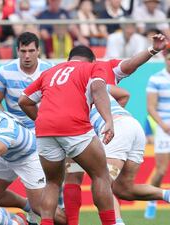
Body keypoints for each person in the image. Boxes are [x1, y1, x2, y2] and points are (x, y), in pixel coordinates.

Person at [63, 34, 169, 225]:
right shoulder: (98, 79)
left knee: (103, 184)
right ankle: (166, 194)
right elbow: (125, 91)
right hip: (132, 126)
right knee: (123, 189)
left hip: (119, 129)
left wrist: (109, 123)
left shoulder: (68, 82)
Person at [18, 45, 116, 225]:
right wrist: (108, 120)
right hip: (74, 126)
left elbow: (23, 100)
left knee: (52, 183)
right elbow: (98, 89)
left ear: (69, 59)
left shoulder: (50, 72)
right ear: (92, 60)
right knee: (101, 175)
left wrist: (42, 120)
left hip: (45, 130)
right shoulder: (93, 67)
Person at [0, 108, 67, 225]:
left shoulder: (6, 129)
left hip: (28, 157)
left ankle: (69, 222)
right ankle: (28, 206)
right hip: (5, 156)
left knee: (39, 207)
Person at [0, 31, 54, 130]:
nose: (27, 56)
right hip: (15, 127)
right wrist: (6, 121)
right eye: (23, 51)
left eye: (31, 51)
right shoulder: (4, 71)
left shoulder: (51, 70)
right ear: (17, 51)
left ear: (38, 50)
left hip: (44, 125)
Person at [145, 47, 170, 219]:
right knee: (161, 170)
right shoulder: (156, 79)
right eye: (169, 58)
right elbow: (151, 107)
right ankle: (151, 201)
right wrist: (163, 125)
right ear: (164, 59)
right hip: (165, 129)